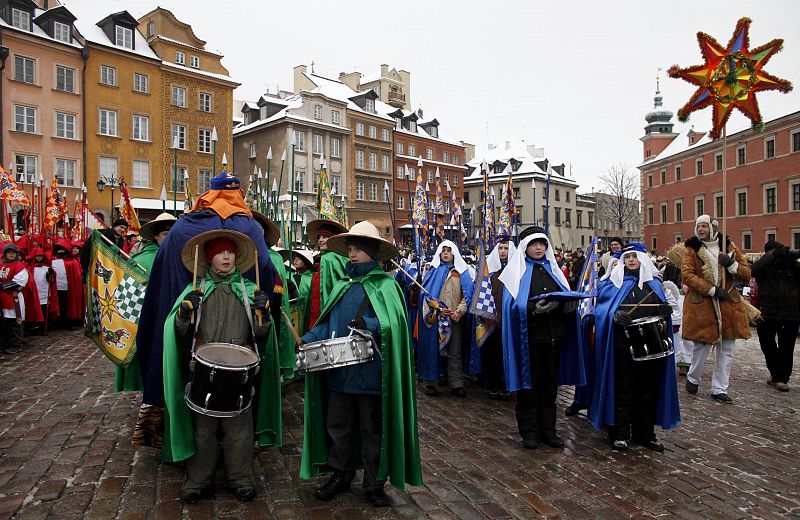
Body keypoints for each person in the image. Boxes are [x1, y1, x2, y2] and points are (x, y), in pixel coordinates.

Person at [134, 171, 277, 451]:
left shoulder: (184, 225)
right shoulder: (249, 228)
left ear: (208, 193)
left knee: (184, 368)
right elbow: (267, 274)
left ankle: (176, 427)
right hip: (233, 330)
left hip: (193, 328)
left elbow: (162, 279)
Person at [299, 221, 422, 507]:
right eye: (350, 249)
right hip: (340, 373)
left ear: (371, 252)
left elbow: (394, 323)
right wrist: (308, 338)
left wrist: (370, 324)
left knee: (372, 429)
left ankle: (373, 482)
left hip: (371, 375)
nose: (352, 255)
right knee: (338, 425)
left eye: (358, 249)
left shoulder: (387, 286)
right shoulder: (342, 285)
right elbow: (327, 322)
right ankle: (340, 475)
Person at [162, 230, 280, 503]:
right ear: (209, 258)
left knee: (239, 428)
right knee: (202, 428)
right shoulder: (197, 289)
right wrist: (183, 312)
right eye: (219, 252)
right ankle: (198, 480)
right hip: (204, 368)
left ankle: (241, 478)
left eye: (230, 252)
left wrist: (263, 313)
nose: (226, 257)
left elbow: (262, 334)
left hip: (239, 371)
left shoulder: (249, 290)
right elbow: (178, 332)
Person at [499, 226, 584, 449]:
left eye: (542, 244)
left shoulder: (554, 271)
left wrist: (569, 306)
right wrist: (535, 309)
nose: (539, 248)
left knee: (549, 387)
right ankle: (529, 431)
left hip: (554, 337)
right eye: (534, 244)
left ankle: (549, 430)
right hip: (530, 339)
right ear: (525, 247)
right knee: (529, 386)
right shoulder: (517, 272)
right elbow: (511, 306)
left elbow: (564, 299)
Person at [590, 242, 680, 451]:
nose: (631, 260)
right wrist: (613, 315)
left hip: (651, 348)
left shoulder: (654, 285)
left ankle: (644, 433)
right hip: (622, 347)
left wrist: (664, 310)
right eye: (628, 257)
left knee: (647, 390)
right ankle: (619, 432)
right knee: (623, 389)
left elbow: (664, 316)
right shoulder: (612, 285)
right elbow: (600, 312)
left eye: (635, 257)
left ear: (643, 260)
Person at [682, 215, 751, 404]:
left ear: (713, 228)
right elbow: (687, 275)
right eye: (698, 226)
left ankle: (720, 388)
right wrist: (711, 290)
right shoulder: (691, 248)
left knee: (726, 348)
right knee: (702, 347)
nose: (701, 229)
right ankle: (693, 377)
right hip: (703, 304)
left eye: (704, 226)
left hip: (728, 304)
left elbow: (746, 273)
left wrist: (732, 264)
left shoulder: (729, 246)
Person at [115, 213, 176, 393]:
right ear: (156, 236)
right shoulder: (140, 261)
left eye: (173, 233)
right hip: (148, 319)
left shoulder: (181, 257)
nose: (169, 237)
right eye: (166, 234)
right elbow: (127, 295)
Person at [418, 240, 474, 397]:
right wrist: (434, 306)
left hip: (454, 318)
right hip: (436, 318)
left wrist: (460, 311)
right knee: (432, 349)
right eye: (443, 250)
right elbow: (426, 294)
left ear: (454, 252)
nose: (446, 253)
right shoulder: (434, 271)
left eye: (449, 250)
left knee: (455, 351)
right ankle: (431, 382)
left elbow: (468, 295)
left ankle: (456, 383)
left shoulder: (462, 273)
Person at [752, 240, 800, 392]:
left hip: (790, 313)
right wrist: (772, 255)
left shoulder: (791, 266)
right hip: (767, 312)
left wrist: (790, 259)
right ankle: (775, 372)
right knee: (767, 345)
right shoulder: (764, 267)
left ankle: (781, 378)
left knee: (787, 347)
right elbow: (753, 270)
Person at [483, 235, 515, 400]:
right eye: (500, 248)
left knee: (507, 354)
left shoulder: (516, 270)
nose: (503, 251)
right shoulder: (490, 271)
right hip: (493, 320)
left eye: (506, 248)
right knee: (493, 354)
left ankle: (506, 383)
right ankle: (493, 384)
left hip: (509, 321)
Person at [306, 219, 348, 329]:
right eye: (319, 237)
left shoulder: (332, 258)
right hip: (316, 308)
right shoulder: (321, 258)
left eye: (324, 237)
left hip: (328, 309)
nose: (320, 240)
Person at [0, 244, 30, 354]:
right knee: (4, 322)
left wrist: (2, 286)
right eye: (9, 252)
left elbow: (19, 282)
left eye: (13, 252)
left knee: (14, 321)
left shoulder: (20, 266)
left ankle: (16, 343)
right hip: (2, 298)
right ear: (5, 254)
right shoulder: (1, 265)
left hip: (13, 296)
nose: (11, 254)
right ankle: (5, 342)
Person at [50, 239, 82, 330]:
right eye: (59, 249)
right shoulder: (52, 261)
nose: (61, 251)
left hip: (68, 288)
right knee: (58, 305)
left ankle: (68, 321)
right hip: (56, 288)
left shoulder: (72, 262)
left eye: (62, 249)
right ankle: (58, 322)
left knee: (67, 305)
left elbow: (76, 276)